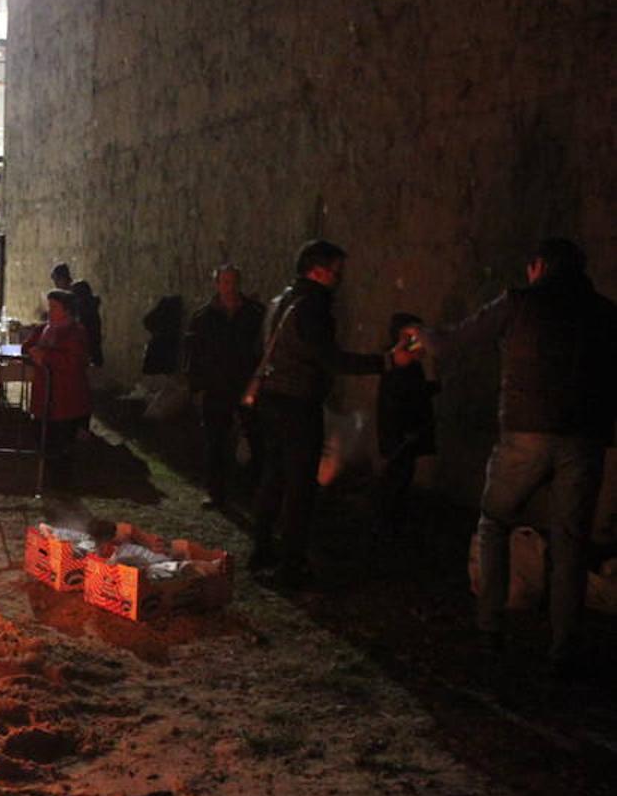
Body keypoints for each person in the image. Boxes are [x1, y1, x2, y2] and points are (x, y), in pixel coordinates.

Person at [426, 238, 617, 675]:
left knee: (494, 523)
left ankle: (490, 629)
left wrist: (422, 336)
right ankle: (564, 648)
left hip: (526, 433)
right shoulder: (606, 314)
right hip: (584, 439)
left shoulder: (519, 302)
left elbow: (451, 342)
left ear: (538, 267)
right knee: (571, 542)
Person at [250, 240, 415, 587]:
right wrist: (387, 362)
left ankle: (262, 548)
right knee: (299, 486)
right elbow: (332, 359)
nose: (340, 279)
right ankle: (290, 566)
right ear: (318, 270)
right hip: (297, 404)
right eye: (337, 272)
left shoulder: (282, 302)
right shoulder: (312, 308)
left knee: (273, 475)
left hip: (272, 399)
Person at [185, 264, 265, 509]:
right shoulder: (203, 317)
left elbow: (263, 349)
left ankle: (253, 490)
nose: (229, 287)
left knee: (256, 439)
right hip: (216, 386)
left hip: (246, 384)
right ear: (217, 284)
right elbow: (194, 354)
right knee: (215, 441)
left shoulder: (254, 314)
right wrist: (196, 387)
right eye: (224, 282)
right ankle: (216, 492)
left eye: (233, 281)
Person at [374, 312, 439, 538]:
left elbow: (411, 394)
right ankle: (389, 527)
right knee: (397, 478)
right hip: (401, 434)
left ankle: (391, 525)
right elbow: (403, 399)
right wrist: (408, 431)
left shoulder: (404, 365)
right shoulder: (402, 366)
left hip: (400, 433)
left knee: (400, 477)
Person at [23, 289, 92, 476]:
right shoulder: (43, 329)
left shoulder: (75, 332)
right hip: (44, 395)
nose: (50, 310)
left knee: (62, 442)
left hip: (65, 397)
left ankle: (61, 481)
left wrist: (44, 356)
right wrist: (32, 352)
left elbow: (73, 361)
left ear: (67, 310)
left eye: (54, 307)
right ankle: (46, 475)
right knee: (43, 437)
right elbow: (28, 346)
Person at [51, 263, 104, 367]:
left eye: (57, 281)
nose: (56, 285)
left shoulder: (76, 299)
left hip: (86, 351)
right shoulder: (78, 299)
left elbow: (78, 327)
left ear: (63, 279)